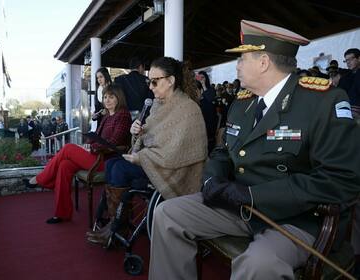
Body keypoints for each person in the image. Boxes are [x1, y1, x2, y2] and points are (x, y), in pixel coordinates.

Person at [149, 20, 360, 280]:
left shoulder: (322, 101)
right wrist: (212, 178)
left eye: (242, 59)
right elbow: (222, 152)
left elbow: (341, 179)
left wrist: (254, 195)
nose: (237, 66)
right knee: (167, 214)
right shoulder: (243, 103)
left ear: (263, 63)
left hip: (296, 218)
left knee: (258, 265)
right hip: (239, 207)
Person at [87, 57, 208, 245]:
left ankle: (117, 227)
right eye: (148, 81)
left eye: (154, 81)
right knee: (111, 164)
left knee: (119, 168)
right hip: (154, 161)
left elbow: (175, 153)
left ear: (170, 81)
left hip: (174, 171)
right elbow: (153, 138)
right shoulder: (158, 105)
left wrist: (140, 156)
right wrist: (138, 132)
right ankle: (116, 223)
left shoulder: (188, 109)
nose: (150, 86)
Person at [24, 84, 132, 224]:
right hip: (96, 155)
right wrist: (88, 144)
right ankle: (61, 213)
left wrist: (91, 149)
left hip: (107, 161)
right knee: (64, 165)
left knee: (68, 148)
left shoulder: (122, 114)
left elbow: (113, 142)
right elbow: (98, 137)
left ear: (119, 98)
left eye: (111, 97)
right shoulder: (106, 116)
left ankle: (40, 179)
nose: (107, 100)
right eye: (105, 97)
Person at [197, 71, 219, 154]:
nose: (201, 79)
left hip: (209, 117)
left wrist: (203, 85)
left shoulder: (210, 89)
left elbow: (210, 99)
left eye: (203, 77)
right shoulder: (196, 89)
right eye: (199, 77)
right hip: (200, 116)